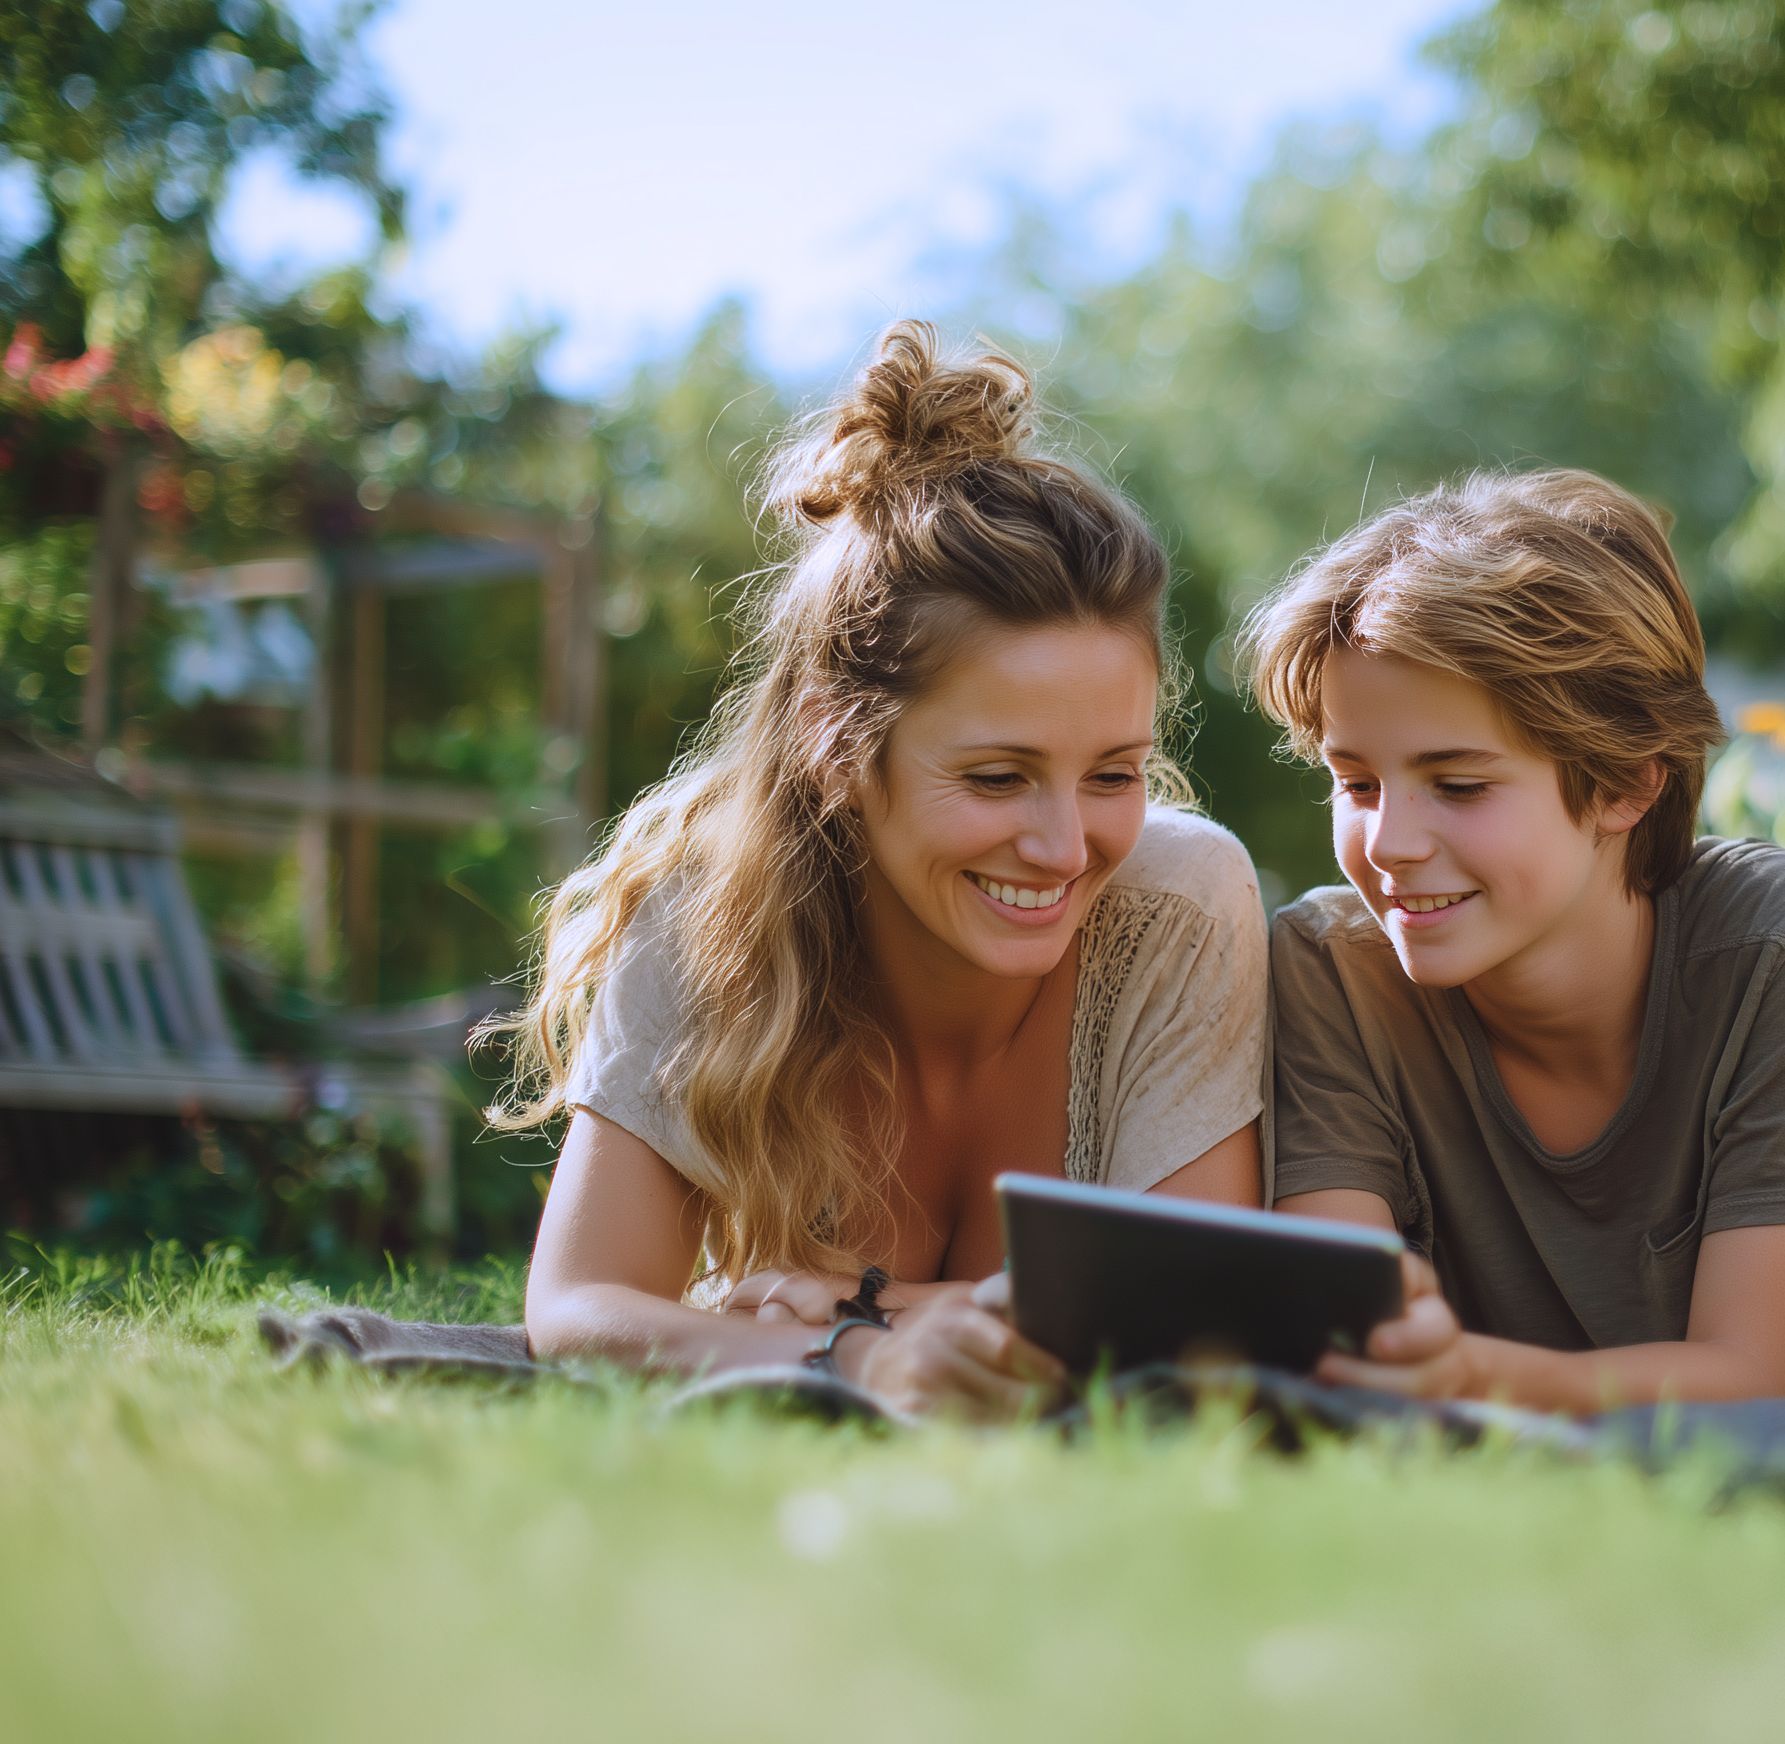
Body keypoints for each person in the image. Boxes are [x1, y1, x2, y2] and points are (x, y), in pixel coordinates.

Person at [487, 321, 1268, 1420]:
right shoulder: (710, 910)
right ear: (836, 744)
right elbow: (577, 1307)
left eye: (1112, 773)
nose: (1063, 845)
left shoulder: (1179, 904)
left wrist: (862, 1304)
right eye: (998, 777)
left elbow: (1200, 1324)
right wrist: (855, 1361)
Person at [1239, 467, 1785, 1413]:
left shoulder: (1762, 963)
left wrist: (1467, 1375)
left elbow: (1755, 1382)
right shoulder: (1336, 973)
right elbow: (1341, 1340)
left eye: (1458, 785)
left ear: (1625, 784)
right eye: (1358, 783)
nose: (1391, 844)